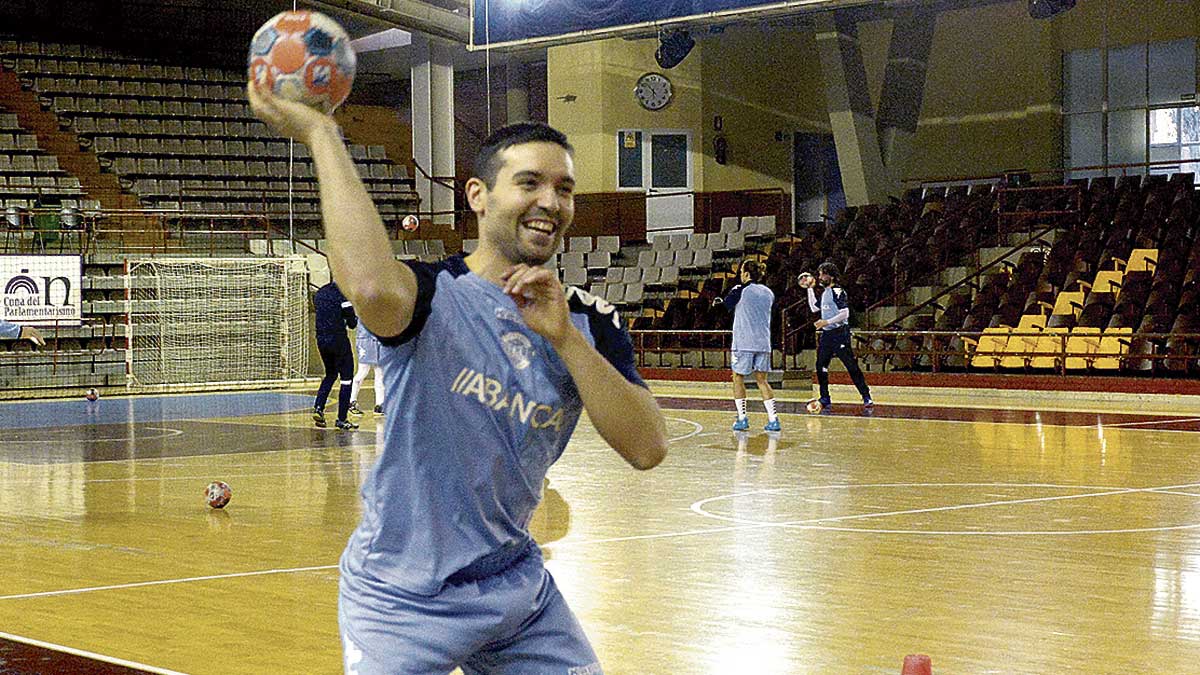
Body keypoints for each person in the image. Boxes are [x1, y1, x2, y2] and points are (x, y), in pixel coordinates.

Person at [248, 83, 668, 675]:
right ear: (478, 195)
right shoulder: (431, 294)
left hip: (516, 591)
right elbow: (369, 286)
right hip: (402, 594)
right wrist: (323, 134)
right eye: (530, 183)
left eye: (564, 188)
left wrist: (566, 338)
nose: (551, 200)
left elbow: (648, 447)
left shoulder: (590, 323)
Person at [800, 261, 873, 412]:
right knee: (821, 366)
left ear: (831, 276)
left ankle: (866, 395)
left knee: (850, 365)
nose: (819, 277)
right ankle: (824, 397)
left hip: (840, 333)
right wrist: (809, 289)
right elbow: (814, 307)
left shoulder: (838, 291)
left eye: (822, 274)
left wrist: (826, 321)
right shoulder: (825, 292)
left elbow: (844, 313)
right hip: (827, 335)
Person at [715, 259, 780, 432]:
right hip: (763, 342)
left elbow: (725, 307)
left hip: (744, 341)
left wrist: (718, 302)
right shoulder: (768, 292)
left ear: (745, 274)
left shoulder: (739, 289)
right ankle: (773, 420)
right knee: (762, 380)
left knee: (737, 378)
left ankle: (742, 418)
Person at [312, 280, 359, 431]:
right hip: (338, 340)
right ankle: (342, 418)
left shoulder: (320, 294)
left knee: (330, 374)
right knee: (346, 379)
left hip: (321, 340)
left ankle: (319, 407)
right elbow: (352, 323)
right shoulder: (343, 296)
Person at [348, 321, 384, 415]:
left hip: (378, 340)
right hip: (365, 340)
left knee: (379, 373)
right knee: (362, 372)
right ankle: (351, 400)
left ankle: (379, 404)